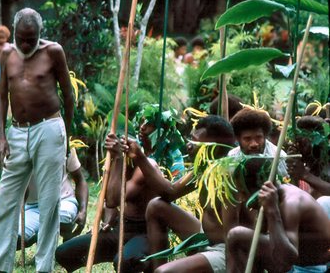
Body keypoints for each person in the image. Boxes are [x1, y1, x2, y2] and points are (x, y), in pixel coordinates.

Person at [0, 8, 74, 273]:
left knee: (49, 202)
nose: (26, 44)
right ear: (14, 33)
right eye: (21, 38)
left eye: (31, 39)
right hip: (17, 132)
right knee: (5, 198)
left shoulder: (54, 51)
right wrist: (1, 137)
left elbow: (68, 96)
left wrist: (69, 137)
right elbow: (2, 97)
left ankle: (44, 268)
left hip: (49, 129)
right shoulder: (7, 53)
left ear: (40, 34)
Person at [56, 110, 171, 273]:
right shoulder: (116, 163)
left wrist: (118, 159)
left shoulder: (146, 165)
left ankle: (141, 261)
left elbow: (114, 199)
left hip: (145, 233)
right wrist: (108, 220)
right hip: (121, 228)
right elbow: (109, 203)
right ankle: (122, 253)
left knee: (124, 262)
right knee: (64, 253)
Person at [129, 115, 236, 273]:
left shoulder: (230, 175)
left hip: (226, 250)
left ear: (216, 148)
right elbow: (169, 193)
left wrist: (140, 157)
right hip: (206, 237)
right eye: (190, 139)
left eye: (195, 142)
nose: (189, 145)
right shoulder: (204, 168)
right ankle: (156, 267)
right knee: (156, 206)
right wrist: (140, 157)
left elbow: (235, 234)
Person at [227, 158, 330, 272]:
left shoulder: (291, 204)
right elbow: (260, 233)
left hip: (312, 268)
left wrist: (272, 212)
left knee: (236, 235)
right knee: (245, 242)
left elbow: (286, 261)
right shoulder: (274, 196)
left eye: (242, 192)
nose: (241, 198)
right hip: (296, 263)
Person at [16, 147, 88, 250]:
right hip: (32, 207)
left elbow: (80, 180)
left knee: (63, 216)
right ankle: (40, 235)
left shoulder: (64, 145)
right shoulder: (17, 148)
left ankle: (49, 241)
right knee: (15, 238)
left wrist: (83, 210)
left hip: (63, 201)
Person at [286, 116, 330, 218]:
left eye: (309, 139)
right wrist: (294, 175)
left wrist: (305, 175)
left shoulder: (326, 160)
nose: (301, 144)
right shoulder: (303, 164)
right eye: (298, 140)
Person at [228, 108, 289, 178]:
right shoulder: (232, 157)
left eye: (258, 137)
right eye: (247, 139)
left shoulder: (279, 156)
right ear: (238, 139)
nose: (254, 144)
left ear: (265, 136)